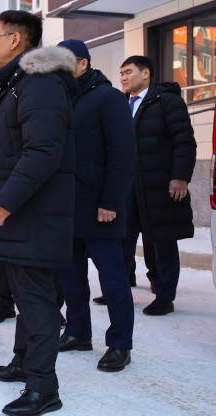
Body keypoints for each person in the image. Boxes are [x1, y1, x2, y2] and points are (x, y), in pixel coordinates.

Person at [0, 10, 76, 416]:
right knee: (24, 296)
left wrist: (6, 200)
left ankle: (43, 388)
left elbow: (43, 150)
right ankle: (23, 362)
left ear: (15, 40)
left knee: (37, 301)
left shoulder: (39, 83)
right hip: (23, 215)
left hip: (31, 214)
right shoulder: (18, 83)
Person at [56, 39, 136, 372]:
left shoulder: (109, 98)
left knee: (113, 279)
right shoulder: (61, 98)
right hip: (66, 206)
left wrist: (110, 201)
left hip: (100, 207)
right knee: (71, 276)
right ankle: (78, 332)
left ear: (83, 64)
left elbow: (123, 154)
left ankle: (120, 344)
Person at [119, 55, 197, 316]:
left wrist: (180, 176)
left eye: (129, 72)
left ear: (146, 73)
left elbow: (184, 141)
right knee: (121, 239)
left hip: (159, 183)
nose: (124, 77)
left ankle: (164, 296)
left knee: (162, 241)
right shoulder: (120, 104)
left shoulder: (167, 101)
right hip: (126, 185)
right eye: (121, 73)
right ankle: (118, 289)